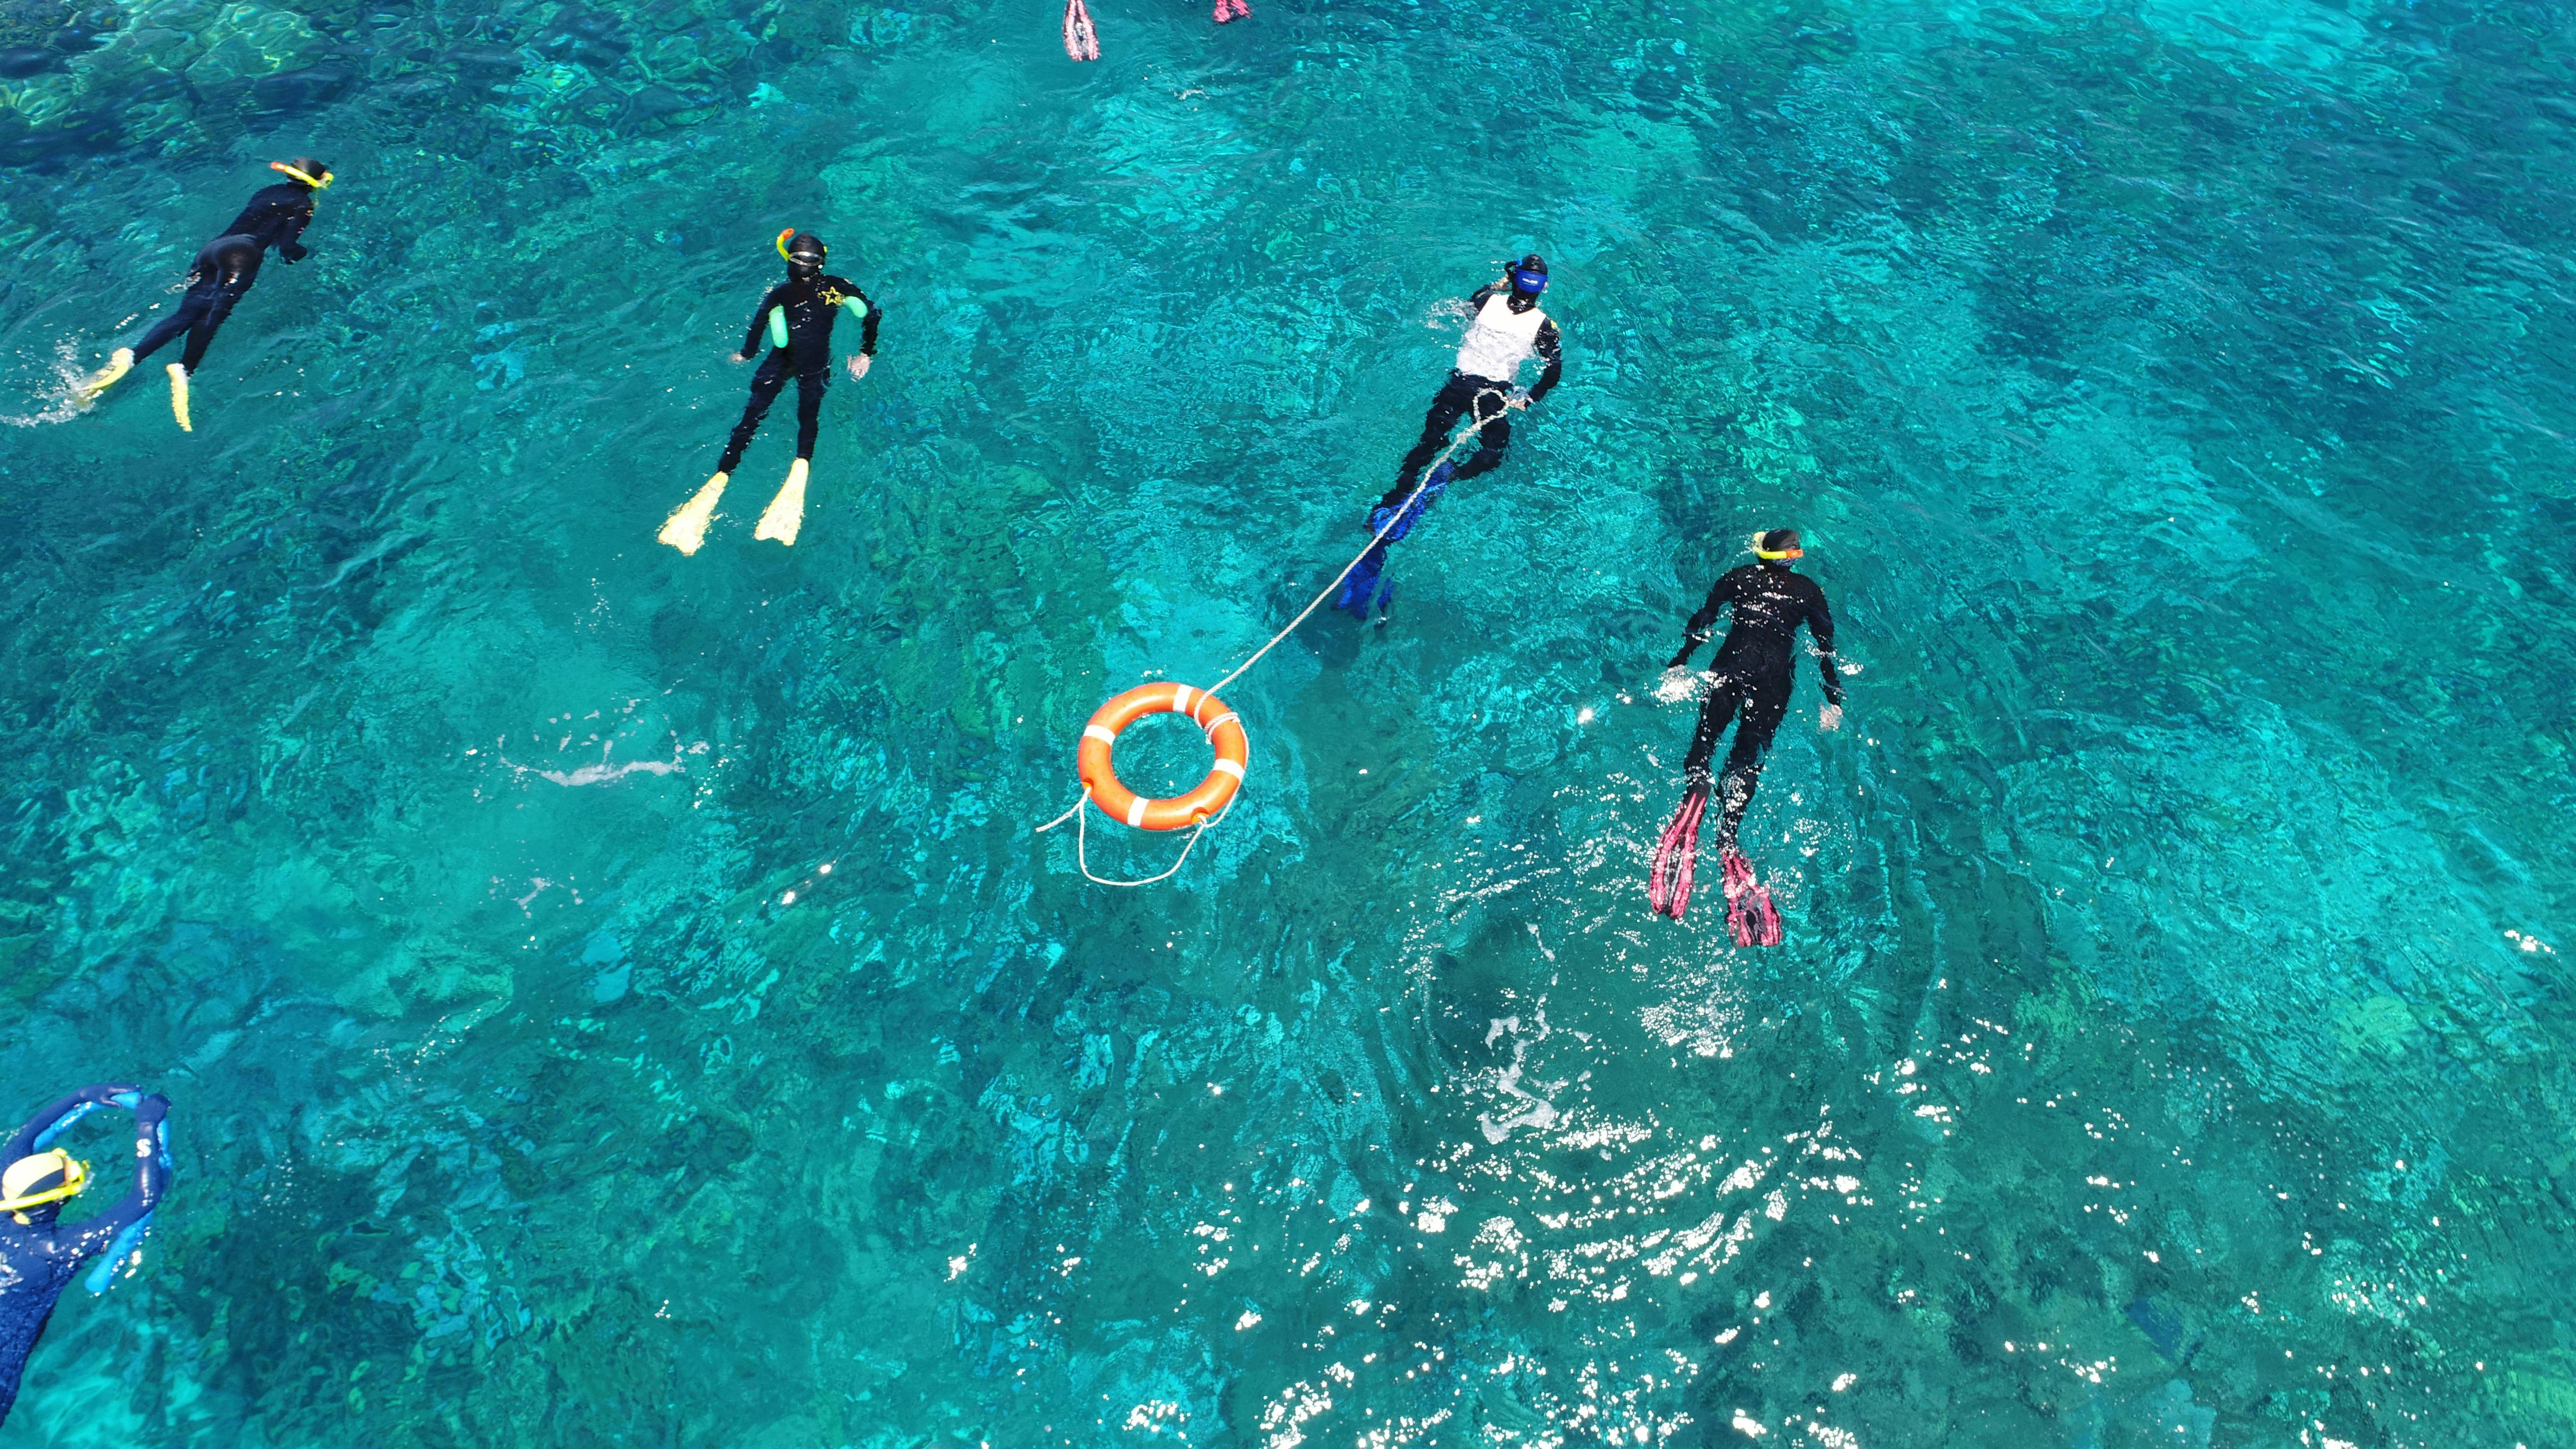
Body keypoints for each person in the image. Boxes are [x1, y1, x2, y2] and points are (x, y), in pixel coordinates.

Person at [1334, 255, 1564, 618]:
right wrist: (1530, 396)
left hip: (1457, 387)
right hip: (1493, 396)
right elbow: (1553, 371)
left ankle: (1388, 502)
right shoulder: (1545, 327)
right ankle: (1447, 479)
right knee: (1492, 453)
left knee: (1426, 446)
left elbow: (1471, 301)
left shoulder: (1486, 301)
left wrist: (1499, 285)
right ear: (1545, 288)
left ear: (1513, 279)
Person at [1647, 529, 1844, 941]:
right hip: (1774, 679)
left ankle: (1697, 783)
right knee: (1746, 757)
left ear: (1761, 555)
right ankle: (1728, 835)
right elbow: (1826, 646)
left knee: (1706, 740)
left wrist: (1680, 662)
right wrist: (1832, 698)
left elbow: (1703, 621)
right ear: (1792, 559)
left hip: (1730, 666)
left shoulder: (1737, 577)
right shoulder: (1809, 591)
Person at [659, 229, 880, 554]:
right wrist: (865, 353)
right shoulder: (837, 287)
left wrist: (744, 355)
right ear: (821, 264)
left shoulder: (779, 293)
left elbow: (759, 325)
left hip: (779, 362)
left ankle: (722, 474)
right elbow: (871, 313)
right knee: (808, 418)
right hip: (815, 363)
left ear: (790, 264)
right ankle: (801, 464)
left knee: (750, 418)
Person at [76, 160, 333, 431]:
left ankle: (132, 355)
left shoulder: (266, 191)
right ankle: (185, 369)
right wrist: (309, 255)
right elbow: (287, 248)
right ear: (315, 183)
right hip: (243, 255)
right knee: (215, 312)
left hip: (211, 250)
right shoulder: (303, 206)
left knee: (187, 312)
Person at [0, 1086, 172, 1429]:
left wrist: (84, 1095)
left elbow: (26, 1135)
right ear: (56, 1200)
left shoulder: (9, 1193)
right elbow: (143, 1199)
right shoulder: (54, 1250)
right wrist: (146, 1126)